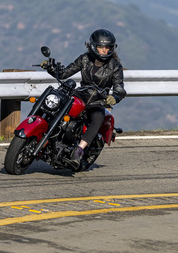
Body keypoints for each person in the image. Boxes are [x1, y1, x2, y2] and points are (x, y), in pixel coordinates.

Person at [41, 28, 126, 167]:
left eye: (107, 48)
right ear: (93, 46)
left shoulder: (115, 67)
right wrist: (51, 68)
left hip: (98, 100)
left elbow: (119, 87)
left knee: (98, 118)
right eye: (101, 47)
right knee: (56, 103)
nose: (104, 51)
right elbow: (64, 73)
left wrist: (115, 97)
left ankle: (79, 150)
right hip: (80, 95)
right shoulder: (84, 59)